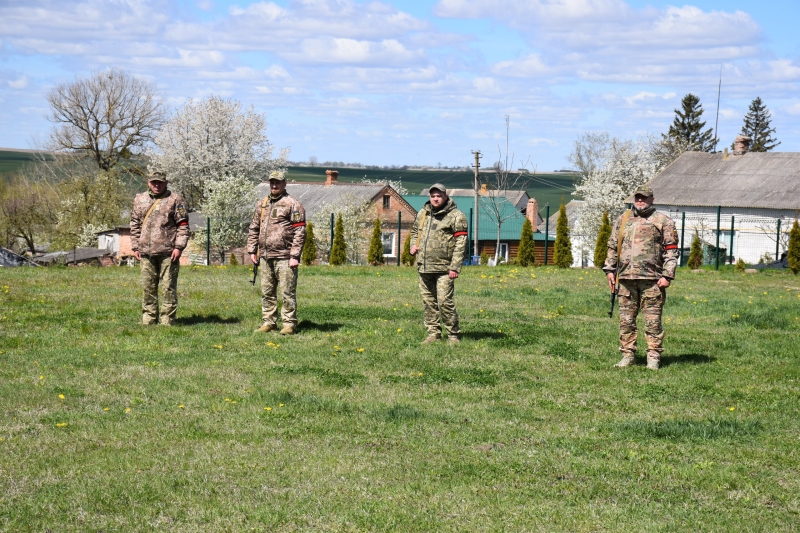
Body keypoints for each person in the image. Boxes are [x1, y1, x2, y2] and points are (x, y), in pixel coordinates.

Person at [603, 185, 679, 370]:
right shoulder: (623, 220)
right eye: (637, 197)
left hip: (652, 280)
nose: (640, 200)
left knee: (653, 322)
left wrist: (667, 275)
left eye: (644, 197)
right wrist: (610, 270)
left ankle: (653, 357)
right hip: (626, 279)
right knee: (626, 321)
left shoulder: (663, 221)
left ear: (652, 199)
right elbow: (613, 246)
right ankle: (627, 355)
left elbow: (671, 251)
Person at [247, 170, 306, 335]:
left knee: (287, 292)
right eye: (272, 182)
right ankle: (269, 322)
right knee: (267, 292)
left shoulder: (293, 204)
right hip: (265, 256)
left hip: (285, 257)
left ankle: (289, 324)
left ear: (284, 183)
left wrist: (295, 255)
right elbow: (254, 228)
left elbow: (300, 232)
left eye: (278, 182)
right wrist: (252, 250)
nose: (274, 185)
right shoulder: (262, 204)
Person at [410, 183, 468, 344]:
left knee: (444, 302)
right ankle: (433, 333)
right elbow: (415, 231)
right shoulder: (423, 213)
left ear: (445, 196)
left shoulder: (456, 216)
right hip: (425, 266)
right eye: (433, 196)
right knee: (428, 302)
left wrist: (455, 267)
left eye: (439, 196)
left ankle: (453, 335)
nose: (435, 199)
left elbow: (461, 242)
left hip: (445, 268)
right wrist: (413, 246)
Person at [130, 171, 189, 325]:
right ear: (148, 182)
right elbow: (135, 223)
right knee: (148, 287)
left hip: (168, 252)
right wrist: (135, 246)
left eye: (160, 182)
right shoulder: (140, 199)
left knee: (168, 287)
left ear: (166, 183)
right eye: (154, 182)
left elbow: (183, 225)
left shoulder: (175, 199)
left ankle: (167, 320)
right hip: (145, 252)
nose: (157, 185)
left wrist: (179, 247)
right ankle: (148, 319)